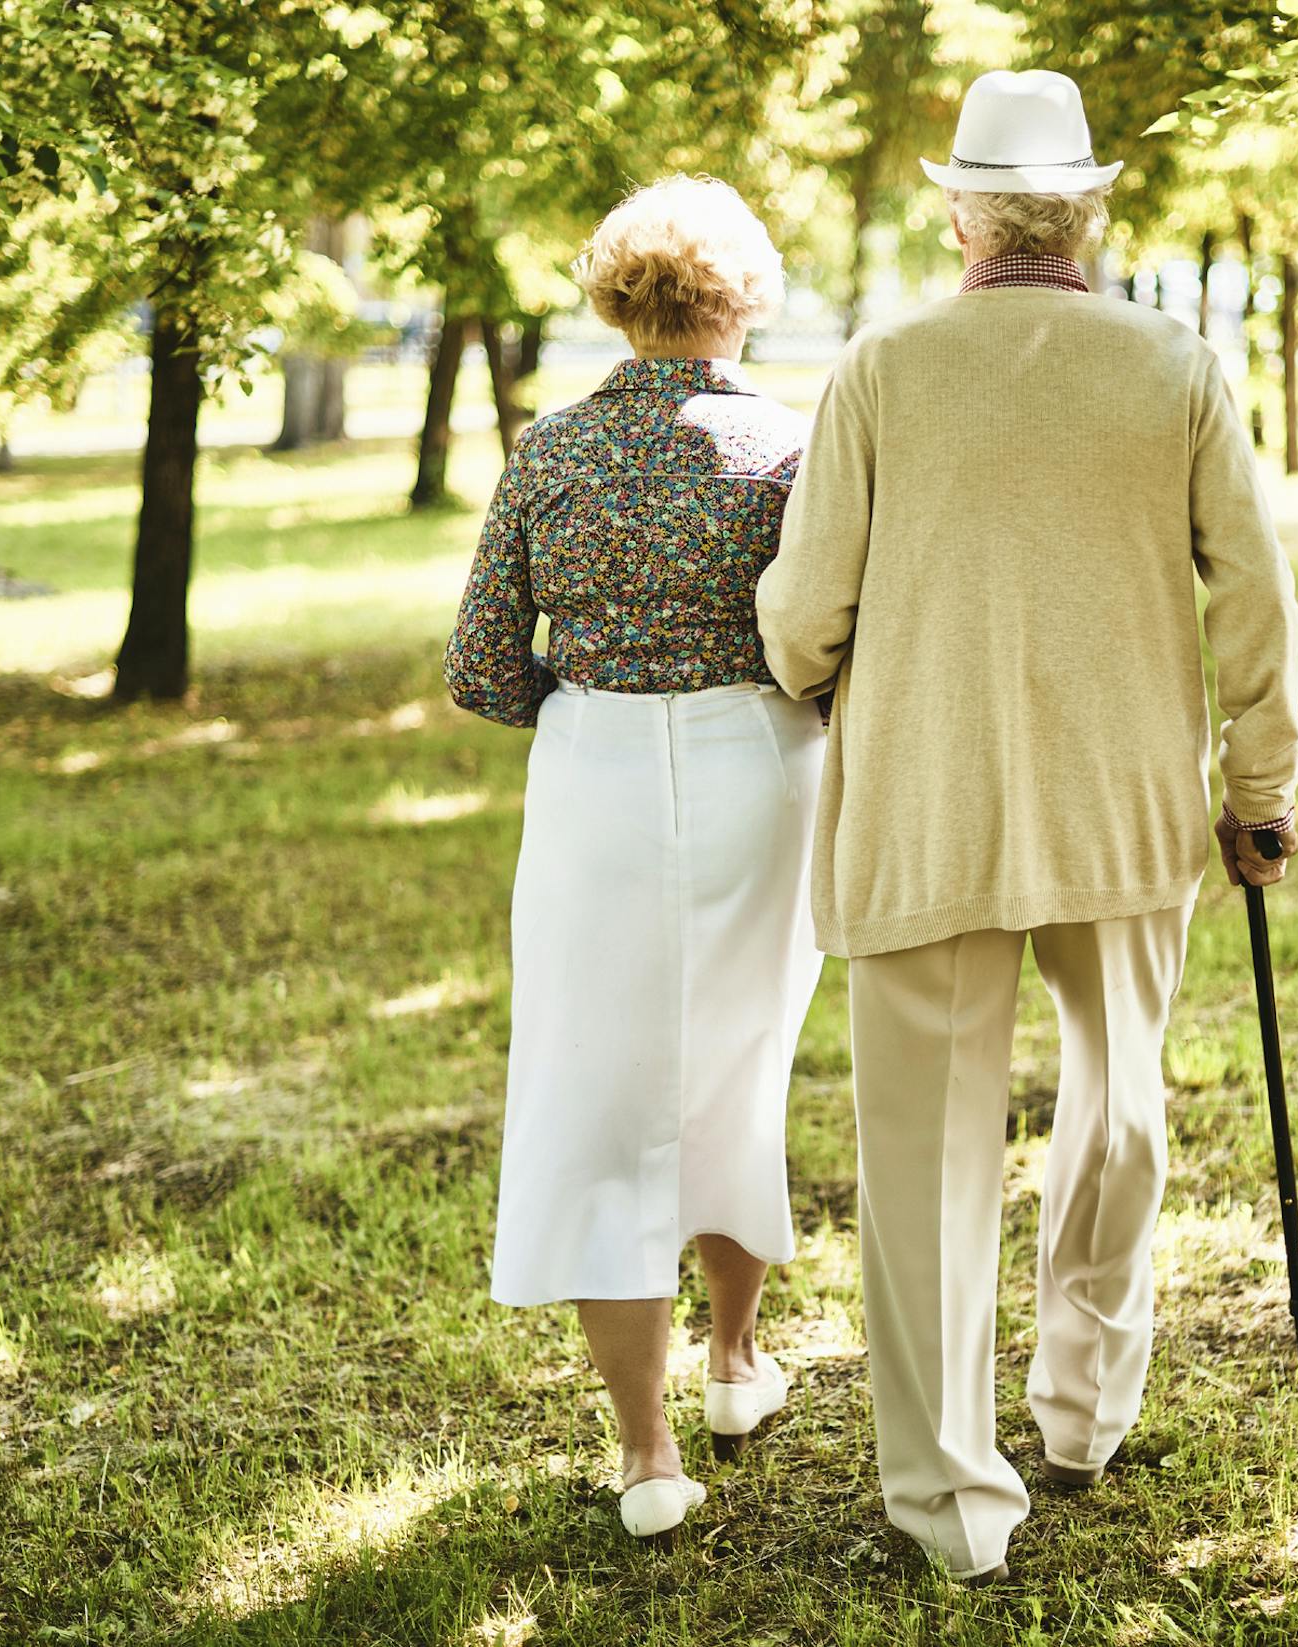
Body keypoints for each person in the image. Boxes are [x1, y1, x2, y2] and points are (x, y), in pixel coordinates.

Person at [755, 69, 1298, 1582]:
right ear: (1090, 215)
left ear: (960, 217)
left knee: (926, 1153)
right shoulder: (1175, 364)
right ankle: (1083, 1413)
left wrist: (803, 667)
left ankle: (949, 1499)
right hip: (1119, 807)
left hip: (929, 801)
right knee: (1119, 1106)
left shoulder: (881, 367)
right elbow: (1256, 596)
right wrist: (1260, 790)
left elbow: (805, 611)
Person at [446, 175, 822, 1540]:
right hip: (759, 772)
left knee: (601, 1089)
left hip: (595, 783)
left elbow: (484, 670)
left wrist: (600, 708)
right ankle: (733, 1364)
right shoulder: (790, 449)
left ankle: (646, 1453)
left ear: (614, 299)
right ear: (745, 298)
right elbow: (831, 639)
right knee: (737, 1066)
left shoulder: (548, 451)